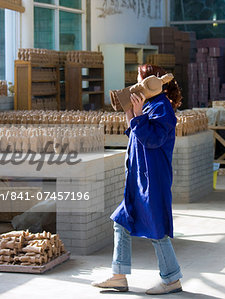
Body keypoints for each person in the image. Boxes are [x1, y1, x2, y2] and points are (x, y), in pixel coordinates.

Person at [92, 64, 183, 295]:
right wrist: (130, 114)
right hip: (138, 178)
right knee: (121, 221)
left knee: (156, 228)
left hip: (153, 179)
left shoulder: (162, 108)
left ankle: (172, 279)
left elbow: (152, 140)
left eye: (139, 80)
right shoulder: (149, 105)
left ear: (152, 83)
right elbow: (136, 135)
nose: (135, 86)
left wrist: (139, 114)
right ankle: (119, 276)